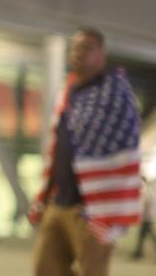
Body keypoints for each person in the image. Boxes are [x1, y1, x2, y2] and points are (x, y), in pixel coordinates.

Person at [30, 27, 142, 276]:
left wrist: (105, 209)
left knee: (93, 271)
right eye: (76, 47)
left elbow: (125, 150)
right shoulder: (68, 92)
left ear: (102, 55)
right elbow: (57, 147)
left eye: (88, 47)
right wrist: (44, 196)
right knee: (45, 269)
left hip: (92, 209)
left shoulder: (114, 93)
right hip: (58, 203)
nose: (79, 53)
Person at [133, 174, 156, 260]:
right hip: (148, 217)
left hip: (147, 217)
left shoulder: (147, 191)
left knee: (144, 236)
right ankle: (138, 253)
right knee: (145, 236)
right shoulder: (149, 191)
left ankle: (138, 254)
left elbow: (144, 204)